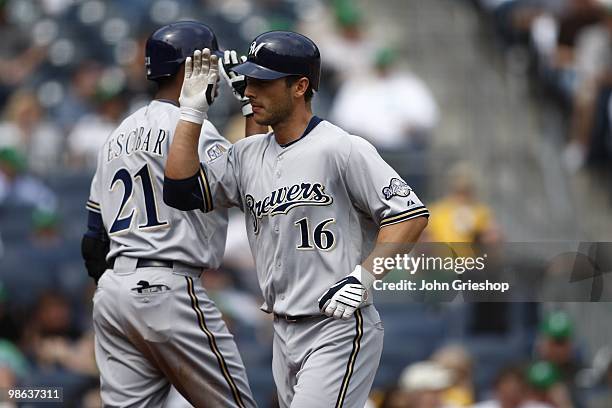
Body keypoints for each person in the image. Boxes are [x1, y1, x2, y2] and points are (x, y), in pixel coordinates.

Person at [163, 31, 429, 407]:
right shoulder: (247, 155)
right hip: (282, 330)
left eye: (262, 81)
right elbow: (179, 191)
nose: (249, 89)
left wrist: (365, 276)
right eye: (248, 80)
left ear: (300, 86)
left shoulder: (341, 147)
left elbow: (410, 215)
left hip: (335, 325)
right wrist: (190, 113)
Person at [81, 21, 262, 407]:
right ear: (190, 69)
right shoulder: (195, 133)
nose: (215, 73)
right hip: (168, 288)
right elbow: (253, 185)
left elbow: (93, 242)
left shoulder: (116, 136)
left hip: (113, 292)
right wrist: (249, 107)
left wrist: (123, 285)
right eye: (209, 64)